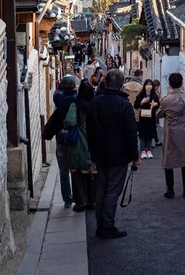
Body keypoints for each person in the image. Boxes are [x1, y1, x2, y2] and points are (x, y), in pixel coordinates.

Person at [87, 69, 140, 239]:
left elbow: (89, 129)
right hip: (118, 155)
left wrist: (92, 151)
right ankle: (108, 225)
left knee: (101, 189)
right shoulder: (124, 105)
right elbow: (131, 132)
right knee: (112, 190)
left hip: (99, 154)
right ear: (121, 85)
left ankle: (100, 225)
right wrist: (135, 155)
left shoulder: (95, 102)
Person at [156, 72, 185, 199]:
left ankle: (170, 189)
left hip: (171, 133)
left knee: (169, 160)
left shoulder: (166, 100)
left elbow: (159, 115)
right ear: (182, 83)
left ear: (169, 84)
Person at [64, 81, 97, 211]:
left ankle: (80, 202)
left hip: (78, 142)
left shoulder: (75, 105)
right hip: (93, 142)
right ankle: (92, 200)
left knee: (77, 173)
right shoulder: (95, 105)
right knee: (91, 172)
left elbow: (69, 121)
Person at [53, 75, 78, 207]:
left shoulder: (58, 99)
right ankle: (78, 196)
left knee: (63, 170)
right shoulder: (75, 99)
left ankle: (67, 199)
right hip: (73, 137)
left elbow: (57, 92)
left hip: (61, 137)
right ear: (74, 87)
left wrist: (61, 85)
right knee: (75, 168)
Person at [134, 79, 160, 159]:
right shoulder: (141, 95)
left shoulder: (154, 95)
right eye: (147, 85)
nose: (149, 87)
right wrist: (141, 102)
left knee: (150, 134)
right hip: (143, 117)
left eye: (150, 85)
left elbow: (158, 104)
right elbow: (136, 105)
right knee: (142, 135)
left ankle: (149, 151)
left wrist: (156, 104)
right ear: (144, 86)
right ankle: (142, 151)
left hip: (151, 117)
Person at [152, 79, 162, 147]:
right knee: (153, 127)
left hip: (155, 110)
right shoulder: (153, 92)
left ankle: (156, 141)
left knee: (154, 126)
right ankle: (155, 141)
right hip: (153, 111)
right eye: (158, 86)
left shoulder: (155, 91)